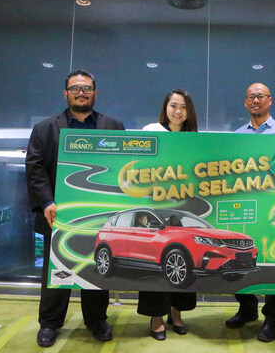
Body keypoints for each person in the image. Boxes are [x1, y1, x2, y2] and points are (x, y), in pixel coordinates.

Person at [26, 69, 125, 347]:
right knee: (56, 271)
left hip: (100, 215)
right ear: (66, 94)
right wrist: (47, 201)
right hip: (57, 215)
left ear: (95, 93)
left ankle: (97, 320)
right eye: (75, 89)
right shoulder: (45, 128)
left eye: (86, 88)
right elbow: (35, 169)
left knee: (97, 267)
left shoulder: (113, 126)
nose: (81, 93)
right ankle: (49, 323)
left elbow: (124, 169)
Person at [226, 82, 275, 343]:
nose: (256, 101)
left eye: (261, 96)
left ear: (270, 100)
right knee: (239, 257)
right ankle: (247, 308)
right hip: (245, 207)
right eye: (251, 97)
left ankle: (274, 319)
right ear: (246, 102)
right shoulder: (237, 135)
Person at [137, 88, 199, 341]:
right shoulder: (151, 131)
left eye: (183, 107)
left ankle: (176, 313)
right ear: (165, 108)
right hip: (154, 207)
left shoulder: (194, 138)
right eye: (174, 105)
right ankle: (156, 317)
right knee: (156, 262)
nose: (178, 111)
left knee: (183, 260)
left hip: (183, 211)